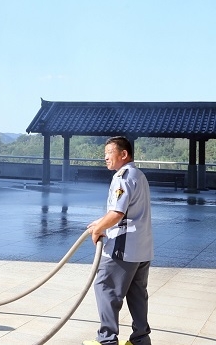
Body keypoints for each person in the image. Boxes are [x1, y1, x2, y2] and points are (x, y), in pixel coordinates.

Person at [83, 136, 153, 345]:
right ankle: (141, 340)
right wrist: (99, 222)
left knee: (105, 286)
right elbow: (127, 211)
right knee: (137, 294)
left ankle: (107, 340)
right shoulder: (138, 175)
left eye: (109, 153)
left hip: (124, 247)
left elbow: (117, 213)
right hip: (142, 248)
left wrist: (99, 229)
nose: (105, 158)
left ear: (123, 154)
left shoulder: (122, 177)